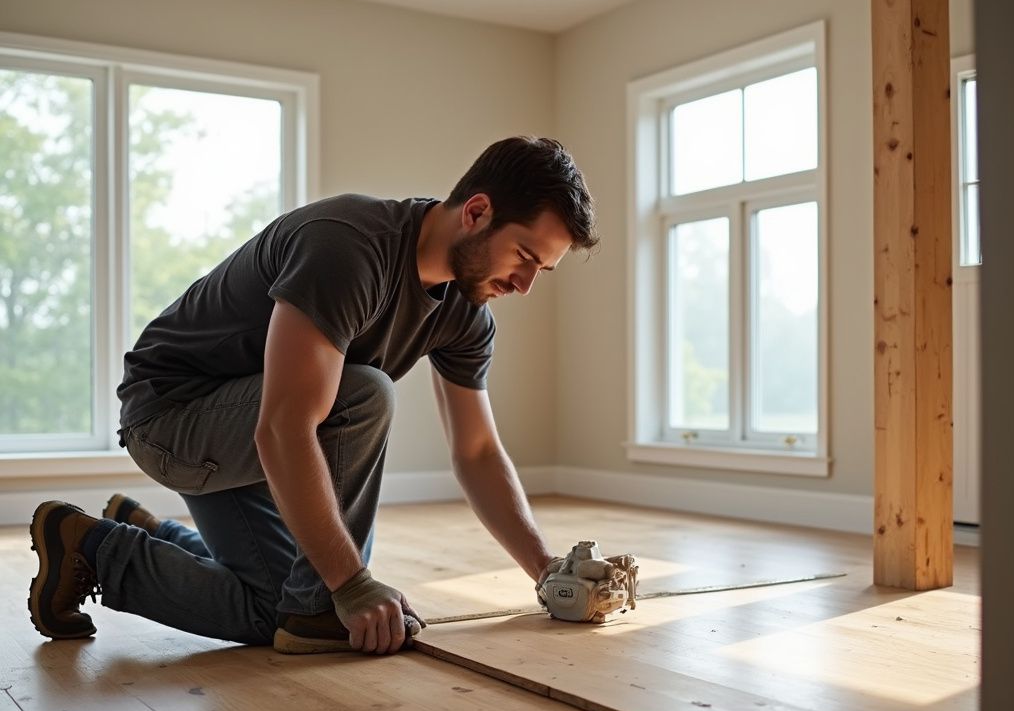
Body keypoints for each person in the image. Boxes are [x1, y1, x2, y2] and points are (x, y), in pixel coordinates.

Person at [27, 136, 598, 657]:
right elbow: (284, 427)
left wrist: (546, 571)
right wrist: (350, 585)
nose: (524, 286)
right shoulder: (349, 248)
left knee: (276, 606)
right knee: (361, 403)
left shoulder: (467, 313)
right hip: (174, 416)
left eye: (541, 271)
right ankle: (103, 553)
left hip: (250, 432)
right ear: (476, 212)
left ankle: (111, 540)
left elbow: (476, 452)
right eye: (524, 257)